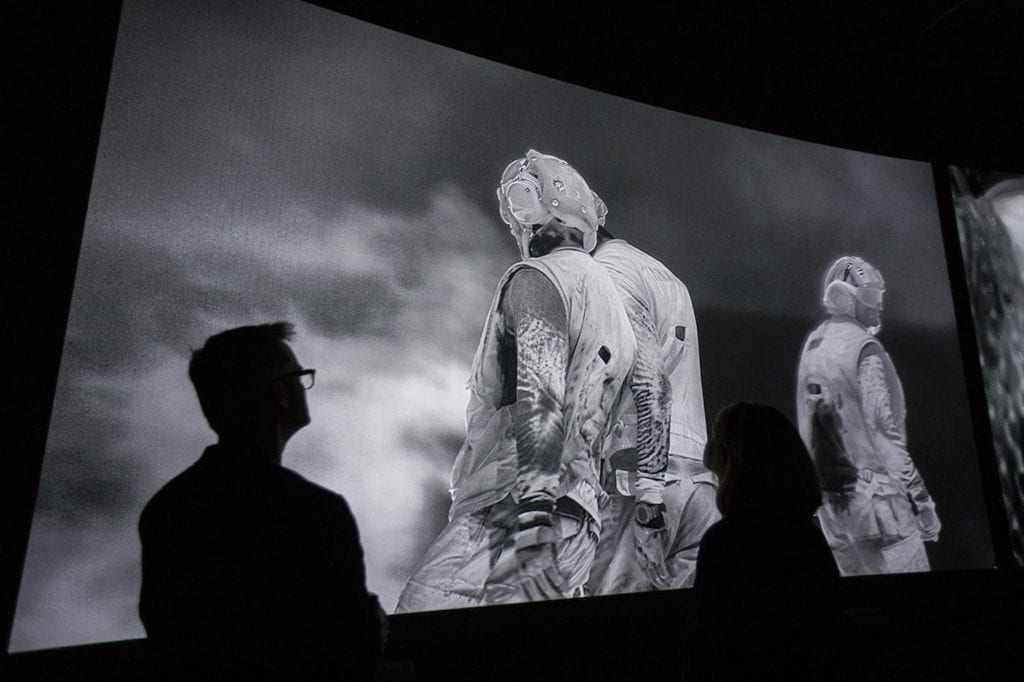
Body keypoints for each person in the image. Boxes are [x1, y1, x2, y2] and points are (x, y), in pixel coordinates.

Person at [396, 150, 635, 609]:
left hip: (511, 511)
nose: (516, 224)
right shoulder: (612, 304)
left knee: (417, 631)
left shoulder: (538, 279)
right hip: (579, 516)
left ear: (548, 200)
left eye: (520, 202)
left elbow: (541, 393)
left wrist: (533, 518)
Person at [139, 323, 384, 680]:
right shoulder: (314, 512)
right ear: (281, 392)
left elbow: (168, 639)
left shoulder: (167, 509)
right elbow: (350, 651)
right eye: (300, 376)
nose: (305, 385)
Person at [586, 226, 720, 594]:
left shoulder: (606, 273)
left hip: (641, 482)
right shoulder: (668, 278)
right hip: (698, 484)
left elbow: (650, 380)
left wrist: (648, 494)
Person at [796, 256, 941, 575]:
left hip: (832, 509)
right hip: (878, 506)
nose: (878, 306)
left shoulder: (814, 344)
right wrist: (921, 500)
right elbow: (882, 430)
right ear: (844, 298)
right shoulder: (864, 349)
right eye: (871, 297)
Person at [686, 402, 842, 682]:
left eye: (719, 440)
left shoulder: (724, 542)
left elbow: (707, 644)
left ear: (734, 459)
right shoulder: (807, 537)